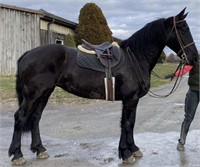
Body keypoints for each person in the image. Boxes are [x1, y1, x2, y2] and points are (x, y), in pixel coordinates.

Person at [176, 62, 199, 151]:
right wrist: (175, 74)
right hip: (193, 91)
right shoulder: (195, 59)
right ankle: (181, 141)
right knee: (188, 118)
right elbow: (184, 69)